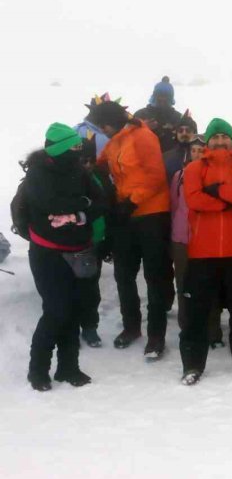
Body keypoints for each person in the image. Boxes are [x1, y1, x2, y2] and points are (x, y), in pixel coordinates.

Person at [179, 118, 232, 385]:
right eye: (215, 137)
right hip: (201, 252)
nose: (219, 142)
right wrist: (227, 202)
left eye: (224, 137)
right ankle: (192, 364)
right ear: (208, 141)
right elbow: (194, 199)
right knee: (197, 313)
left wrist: (217, 190)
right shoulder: (194, 168)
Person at [24, 124, 107, 391]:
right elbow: (51, 205)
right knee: (56, 310)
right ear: (60, 149)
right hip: (47, 252)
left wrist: (76, 214)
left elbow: (101, 201)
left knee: (74, 309)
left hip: (79, 249)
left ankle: (68, 367)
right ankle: (38, 370)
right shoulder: (37, 174)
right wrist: (83, 205)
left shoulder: (79, 171)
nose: (79, 151)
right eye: (74, 147)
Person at [93, 101, 175, 359]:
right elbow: (101, 163)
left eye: (104, 125)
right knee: (123, 274)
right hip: (125, 215)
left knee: (154, 276)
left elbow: (156, 177)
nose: (102, 130)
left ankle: (156, 335)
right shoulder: (115, 140)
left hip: (151, 213)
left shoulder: (143, 137)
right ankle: (131, 326)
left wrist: (132, 202)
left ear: (114, 120)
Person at [76, 133, 115, 348]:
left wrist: (108, 241)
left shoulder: (100, 178)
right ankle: (70, 328)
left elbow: (108, 209)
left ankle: (90, 327)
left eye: (91, 160)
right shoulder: (67, 180)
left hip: (95, 242)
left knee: (91, 288)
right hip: (72, 244)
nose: (88, 165)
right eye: (84, 161)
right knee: (70, 289)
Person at [170, 135, 206, 331]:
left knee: (205, 284)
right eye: (194, 150)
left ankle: (209, 327)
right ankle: (186, 325)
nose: (197, 154)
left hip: (204, 237)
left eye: (201, 150)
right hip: (181, 237)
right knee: (182, 283)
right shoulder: (179, 176)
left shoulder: (210, 174)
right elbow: (174, 205)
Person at [147, 76, 182, 153]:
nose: (163, 99)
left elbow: (189, 139)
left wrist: (175, 129)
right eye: (160, 95)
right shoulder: (141, 114)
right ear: (154, 96)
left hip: (171, 158)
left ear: (171, 98)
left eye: (166, 96)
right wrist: (144, 127)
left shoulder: (179, 118)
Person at [163, 110, 199, 182]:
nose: (184, 133)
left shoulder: (201, 155)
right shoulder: (166, 157)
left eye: (188, 130)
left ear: (194, 133)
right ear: (176, 133)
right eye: (180, 130)